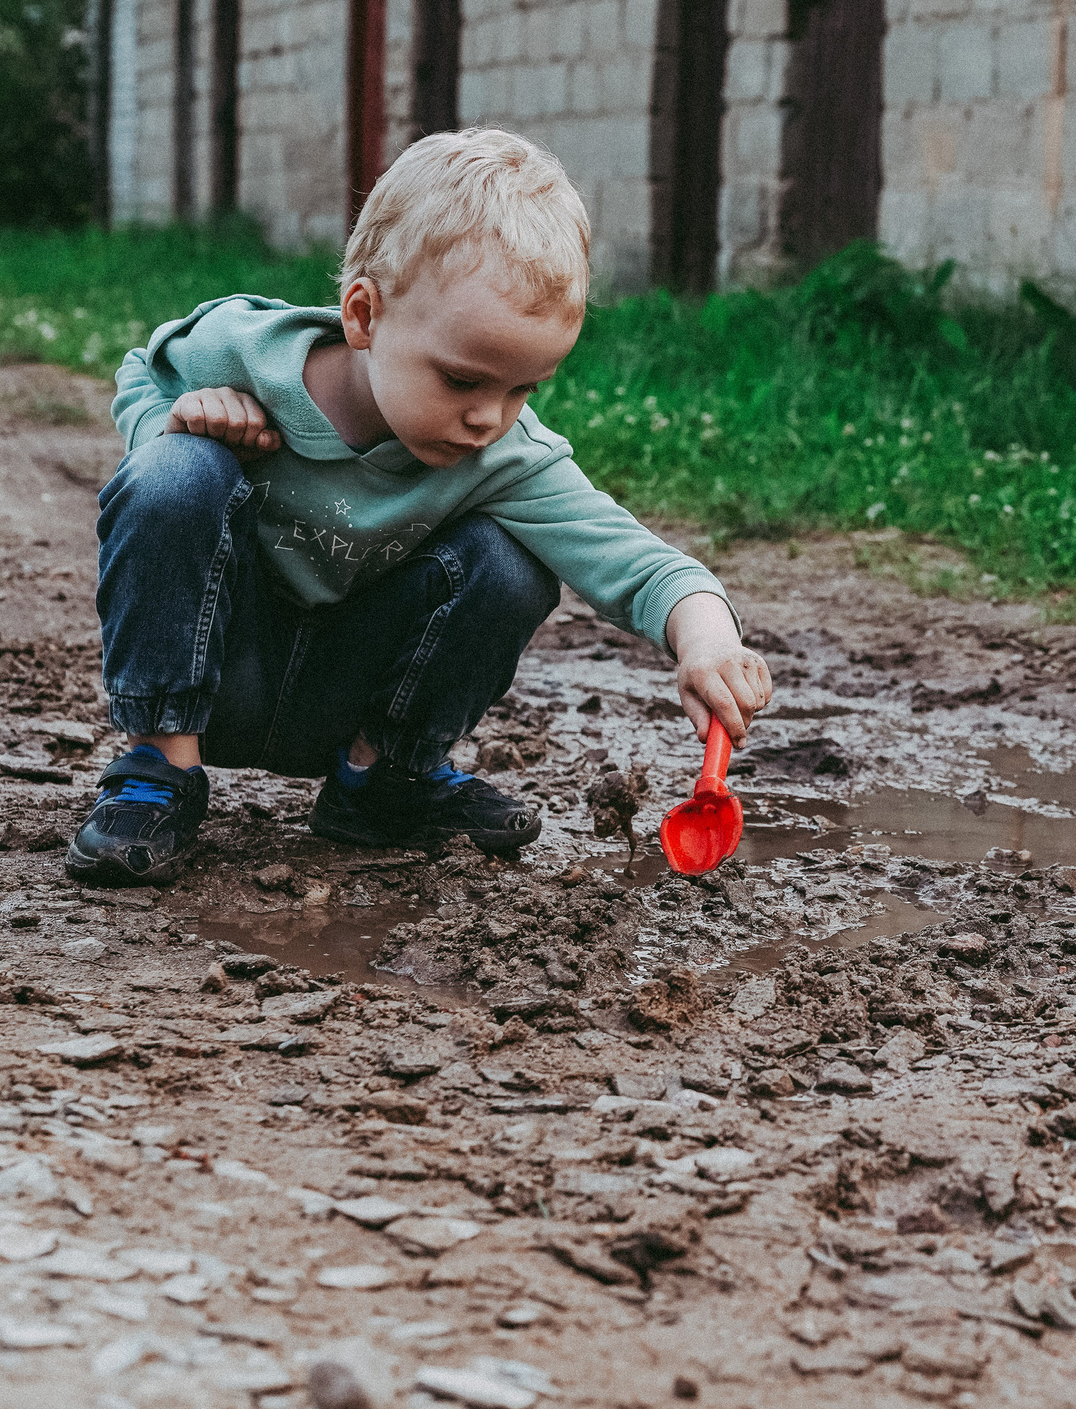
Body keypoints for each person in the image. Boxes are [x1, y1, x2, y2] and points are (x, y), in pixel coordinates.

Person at [67, 127, 769, 885]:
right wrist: (173, 425)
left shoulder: (502, 451)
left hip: (346, 693)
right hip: (221, 667)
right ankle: (160, 771)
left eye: (523, 388)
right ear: (364, 316)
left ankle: (383, 779)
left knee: (513, 564)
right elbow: (141, 377)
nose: (488, 418)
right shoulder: (244, 354)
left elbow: (640, 562)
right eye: (463, 381)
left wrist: (707, 643)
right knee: (173, 470)